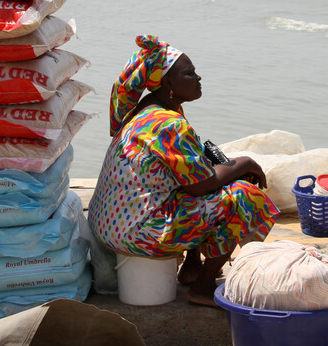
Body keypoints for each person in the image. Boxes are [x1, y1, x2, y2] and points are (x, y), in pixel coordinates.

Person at [87, 35, 279, 307]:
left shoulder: (147, 110)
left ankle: (191, 268)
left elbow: (190, 170)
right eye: (189, 74)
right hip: (136, 231)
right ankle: (202, 287)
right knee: (246, 197)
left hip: (111, 223)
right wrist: (245, 163)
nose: (198, 78)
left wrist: (228, 167)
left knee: (201, 180)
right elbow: (201, 185)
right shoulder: (168, 124)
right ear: (168, 83)